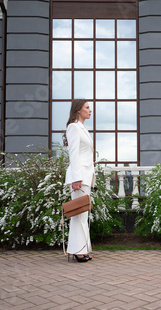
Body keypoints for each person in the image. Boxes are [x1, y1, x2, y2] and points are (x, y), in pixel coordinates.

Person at [63, 99, 95, 262]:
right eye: (87, 107)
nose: (90, 110)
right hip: (79, 176)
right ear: (78, 110)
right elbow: (73, 154)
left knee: (82, 214)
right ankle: (77, 250)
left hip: (85, 176)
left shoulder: (83, 128)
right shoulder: (74, 127)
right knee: (78, 214)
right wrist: (76, 178)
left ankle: (82, 248)